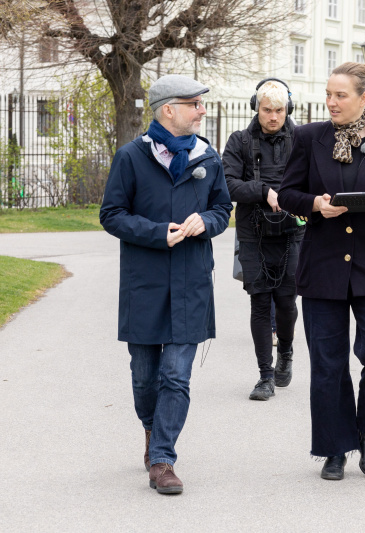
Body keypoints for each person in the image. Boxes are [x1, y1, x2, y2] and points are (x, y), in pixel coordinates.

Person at [278, 62, 365, 481]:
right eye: (328, 94)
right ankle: (335, 447)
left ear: (363, 98)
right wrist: (316, 205)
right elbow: (287, 193)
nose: (331, 102)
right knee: (328, 362)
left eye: (340, 95)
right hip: (322, 266)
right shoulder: (306, 137)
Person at [99, 74, 232, 495]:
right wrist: (159, 232)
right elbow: (112, 214)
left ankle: (162, 459)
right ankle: (152, 430)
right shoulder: (131, 157)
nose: (202, 110)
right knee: (145, 378)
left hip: (191, 284)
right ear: (168, 109)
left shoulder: (208, 158)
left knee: (176, 377)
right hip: (146, 285)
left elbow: (222, 209)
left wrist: (205, 222)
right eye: (194, 103)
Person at [222, 78, 302, 400]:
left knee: (286, 302)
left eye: (279, 110)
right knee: (259, 303)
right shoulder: (239, 141)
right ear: (256, 107)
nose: (273, 116)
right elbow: (227, 185)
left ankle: (285, 351)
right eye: (267, 110)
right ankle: (265, 376)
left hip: (293, 232)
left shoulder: (302, 141)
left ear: (288, 109)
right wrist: (264, 191)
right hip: (252, 232)